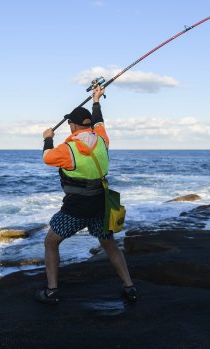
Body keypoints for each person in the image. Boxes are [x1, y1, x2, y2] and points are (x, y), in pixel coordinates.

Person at [37, 86, 137, 304]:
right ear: (89, 124)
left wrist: (47, 138)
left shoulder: (67, 149)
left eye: (70, 123)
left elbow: (47, 157)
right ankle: (129, 287)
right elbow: (100, 122)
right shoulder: (102, 139)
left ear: (72, 125)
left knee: (51, 242)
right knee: (109, 243)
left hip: (77, 208)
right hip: (101, 204)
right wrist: (96, 100)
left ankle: (52, 291)